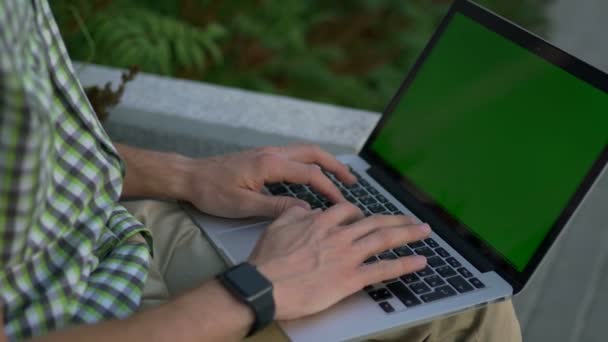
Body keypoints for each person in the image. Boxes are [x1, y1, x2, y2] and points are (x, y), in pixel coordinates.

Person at [0, 0, 521, 341]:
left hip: (108, 237)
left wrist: (186, 175)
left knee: (447, 277)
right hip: (90, 316)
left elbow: (39, 154)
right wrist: (256, 290)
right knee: (469, 311)